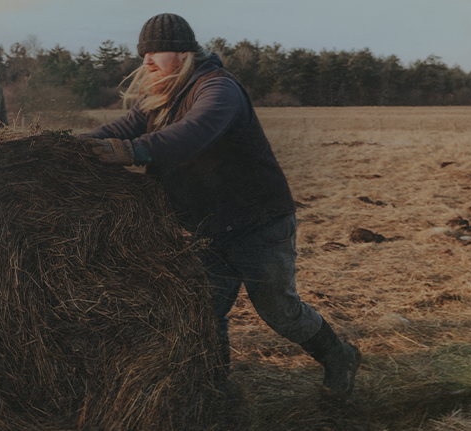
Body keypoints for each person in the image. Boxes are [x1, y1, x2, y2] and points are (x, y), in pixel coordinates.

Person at [81, 13, 361, 397]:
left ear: (182, 53)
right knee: (202, 310)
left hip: (257, 223)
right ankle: (215, 390)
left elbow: (194, 133)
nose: (145, 61)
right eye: (142, 53)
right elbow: (116, 130)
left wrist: (130, 151)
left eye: (154, 52)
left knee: (280, 313)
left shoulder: (218, 89)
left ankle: (339, 355)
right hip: (208, 226)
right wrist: (66, 146)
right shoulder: (160, 98)